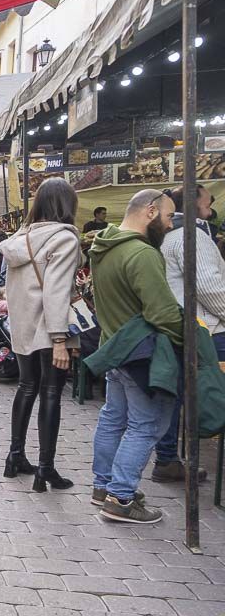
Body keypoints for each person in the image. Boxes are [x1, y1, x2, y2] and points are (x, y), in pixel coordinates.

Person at [87, 189, 181, 524]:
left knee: (114, 419)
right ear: (151, 212)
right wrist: (191, 336)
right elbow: (163, 312)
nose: (170, 226)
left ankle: (104, 486)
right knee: (147, 425)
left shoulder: (103, 246)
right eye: (169, 217)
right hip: (140, 351)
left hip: (114, 345)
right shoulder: (141, 253)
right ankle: (121, 497)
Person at [0, 179, 82, 492]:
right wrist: (60, 339)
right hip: (49, 328)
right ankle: (45, 469)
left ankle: (15, 456)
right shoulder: (64, 239)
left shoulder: (22, 237)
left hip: (22, 327)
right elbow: (56, 291)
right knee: (50, 394)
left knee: (26, 386)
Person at [156, 184, 220, 484]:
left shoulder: (171, 236)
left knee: (175, 393)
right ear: (194, 203)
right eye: (209, 199)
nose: (213, 203)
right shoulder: (190, 237)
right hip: (201, 328)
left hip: (180, 323)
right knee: (189, 390)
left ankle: (168, 456)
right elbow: (210, 287)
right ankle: (174, 454)